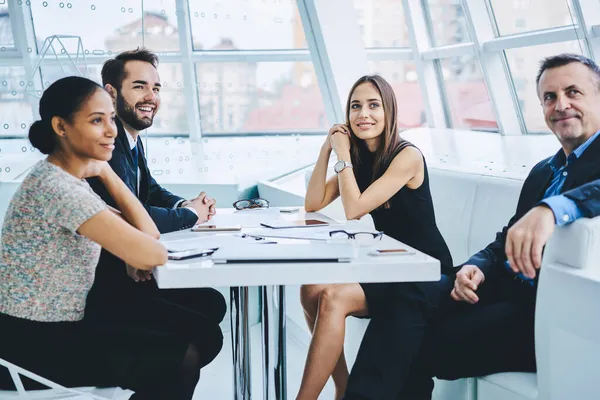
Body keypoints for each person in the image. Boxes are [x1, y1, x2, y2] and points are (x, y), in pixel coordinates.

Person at [342, 53, 600, 400]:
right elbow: (506, 239)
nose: (561, 105)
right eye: (549, 97)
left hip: (545, 318)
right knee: (407, 300)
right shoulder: (544, 171)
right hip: (495, 291)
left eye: (573, 92)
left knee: (413, 338)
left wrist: (552, 209)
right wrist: (477, 267)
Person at [0, 76, 203, 400]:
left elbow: (147, 234)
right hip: (32, 343)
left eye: (110, 118)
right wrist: (107, 172)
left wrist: (105, 171)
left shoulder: (64, 178)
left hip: (52, 326)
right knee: (182, 357)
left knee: (188, 339)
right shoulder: (59, 189)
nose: (111, 130)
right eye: (97, 120)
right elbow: (153, 253)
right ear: (61, 127)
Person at [299, 75, 453, 400]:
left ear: (389, 112)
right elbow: (312, 203)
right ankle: (341, 387)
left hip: (425, 273)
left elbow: (353, 208)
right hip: (390, 266)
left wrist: (341, 153)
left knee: (333, 298)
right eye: (356, 106)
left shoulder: (406, 156)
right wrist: (328, 148)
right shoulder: (359, 157)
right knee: (310, 288)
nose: (363, 114)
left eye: (373, 105)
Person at [85, 48, 226, 373]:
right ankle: (160, 370)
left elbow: (149, 193)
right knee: (202, 333)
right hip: (106, 282)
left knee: (211, 304)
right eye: (139, 86)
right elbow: (137, 218)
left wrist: (186, 205)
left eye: (156, 87)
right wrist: (191, 215)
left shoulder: (131, 141)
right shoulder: (109, 146)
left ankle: (163, 372)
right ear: (111, 92)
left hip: (128, 268)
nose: (151, 96)